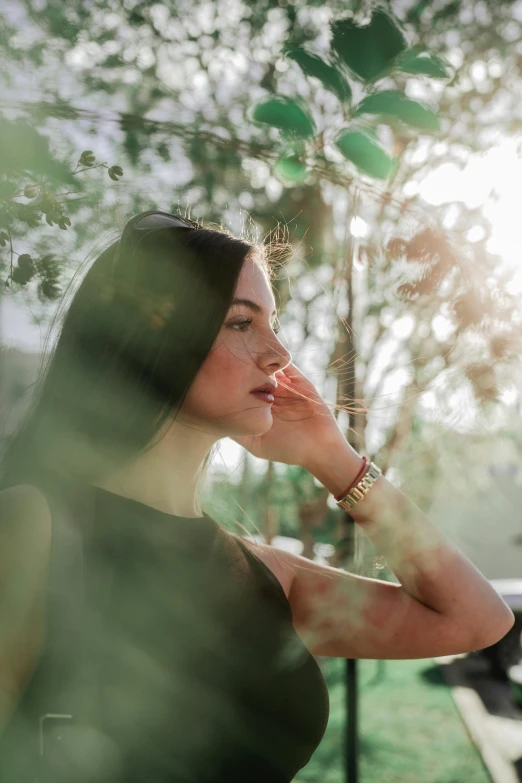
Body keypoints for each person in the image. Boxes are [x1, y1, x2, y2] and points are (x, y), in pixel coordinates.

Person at [0, 210, 514, 782]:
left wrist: (334, 459)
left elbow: (476, 620)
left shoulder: (265, 574)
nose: (279, 353)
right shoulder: (31, 526)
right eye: (242, 323)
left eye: (274, 323)